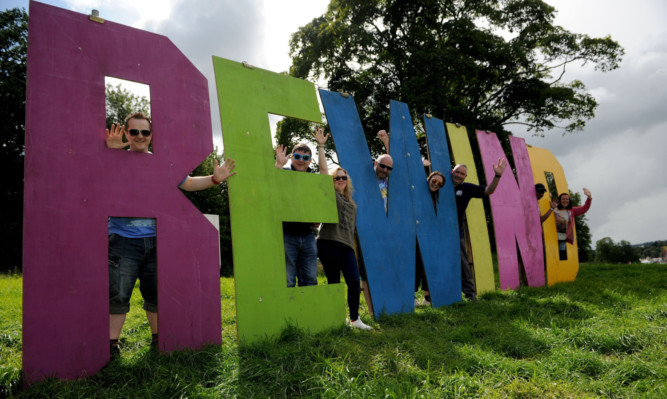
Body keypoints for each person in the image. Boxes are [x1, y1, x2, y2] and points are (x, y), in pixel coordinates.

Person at [105, 112, 236, 356]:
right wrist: (111, 153)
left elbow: (187, 183)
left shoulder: (161, 163)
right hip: (123, 239)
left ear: (152, 135)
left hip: (158, 240)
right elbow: (95, 180)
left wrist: (214, 179)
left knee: (155, 292)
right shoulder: (113, 159)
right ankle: (111, 345)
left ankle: (158, 339)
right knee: (118, 293)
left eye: (145, 132)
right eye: (134, 132)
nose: (140, 136)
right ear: (126, 133)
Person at [317, 168, 372, 330]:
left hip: (347, 245)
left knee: (354, 282)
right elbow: (322, 171)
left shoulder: (351, 201)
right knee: (334, 282)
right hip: (328, 242)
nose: (341, 180)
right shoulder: (330, 194)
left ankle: (355, 320)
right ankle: (337, 319)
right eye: (337, 177)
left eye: (344, 177)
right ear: (331, 180)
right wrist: (321, 146)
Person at [274, 126, 329, 287]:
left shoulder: (313, 178)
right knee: (288, 281)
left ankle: (308, 312)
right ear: (291, 157)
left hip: (307, 235)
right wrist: (278, 165)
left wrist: (320, 146)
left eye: (305, 158)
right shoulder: (282, 173)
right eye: (297, 156)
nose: (301, 160)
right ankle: (288, 312)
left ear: (310, 161)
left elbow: (325, 176)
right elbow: (271, 187)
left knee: (310, 280)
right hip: (286, 235)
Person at [452, 160, 507, 300]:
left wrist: (497, 176)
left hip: (455, 232)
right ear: (452, 171)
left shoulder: (467, 188)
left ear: (465, 177)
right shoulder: (441, 183)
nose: (459, 175)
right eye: (457, 171)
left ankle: (471, 295)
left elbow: (489, 190)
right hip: (435, 230)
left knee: (463, 264)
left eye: (462, 174)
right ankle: (432, 296)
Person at [415, 171, 446, 306]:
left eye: (439, 184)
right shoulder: (418, 191)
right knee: (415, 265)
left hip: (430, 235)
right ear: (429, 179)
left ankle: (427, 299)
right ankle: (412, 297)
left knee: (427, 264)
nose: (436, 184)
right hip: (415, 234)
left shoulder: (437, 198)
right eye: (434, 181)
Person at [554, 188, 592, 260]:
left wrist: (589, 198)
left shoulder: (572, 210)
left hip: (562, 238)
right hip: (551, 238)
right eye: (563, 199)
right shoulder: (554, 209)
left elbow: (584, 208)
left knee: (562, 258)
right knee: (551, 257)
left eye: (567, 199)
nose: (565, 200)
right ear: (560, 200)